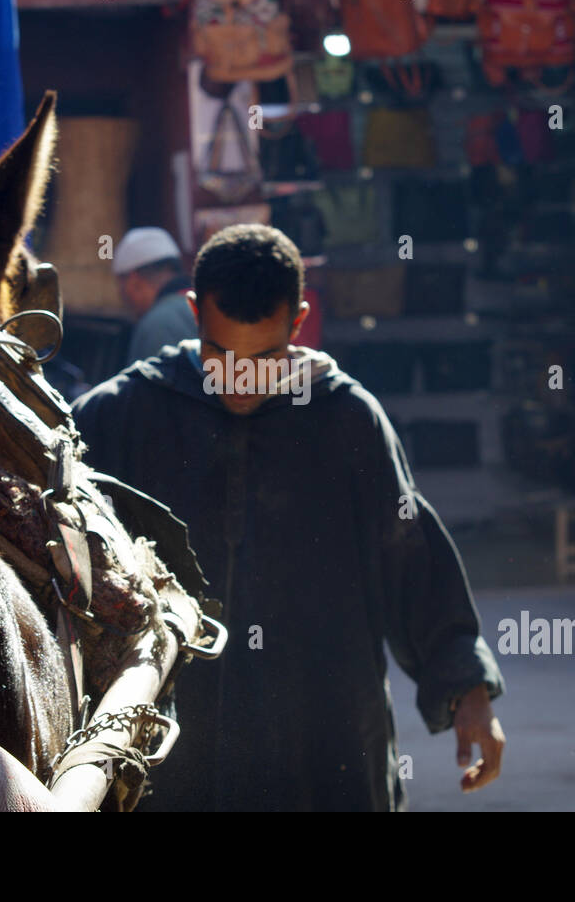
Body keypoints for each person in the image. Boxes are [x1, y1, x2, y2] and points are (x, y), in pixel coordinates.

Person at [72, 223, 506, 811]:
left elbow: (410, 560)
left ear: (299, 322)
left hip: (324, 742)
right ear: (195, 312)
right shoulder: (119, 419)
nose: (243, 383)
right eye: (223, 356)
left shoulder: (347, 420)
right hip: (177, 753)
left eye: (266, 357)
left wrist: (468, 689)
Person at [112, 227, 197, 364]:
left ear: (134, 282)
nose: (121, 295)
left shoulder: (156, 324)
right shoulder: (208, 305)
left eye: (121, 286)